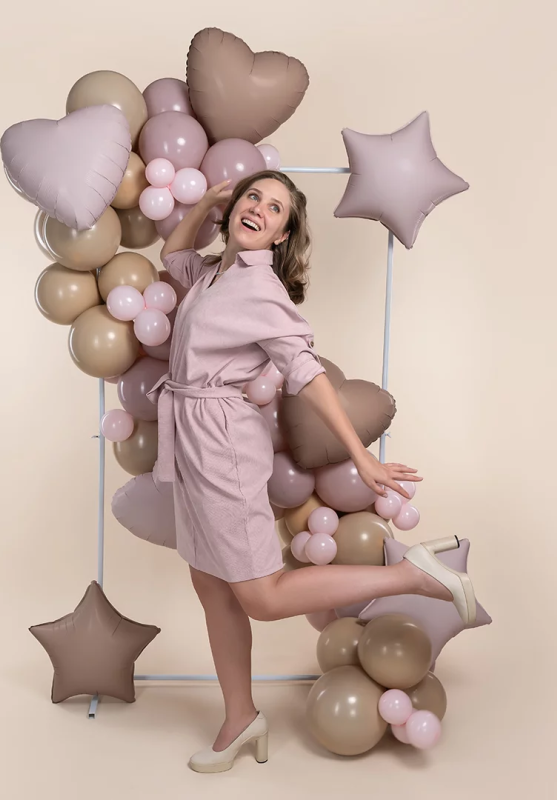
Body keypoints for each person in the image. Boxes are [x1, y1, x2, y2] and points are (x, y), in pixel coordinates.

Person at [147, 170, 476, 773]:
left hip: (222, 445)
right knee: (210, 585)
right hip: (190, 440)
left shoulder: (258, 287)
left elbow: (305, 371)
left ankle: (411, 575)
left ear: (281, 235)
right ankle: (241, 719)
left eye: (275, 208)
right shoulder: (213, 272)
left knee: (261, 596)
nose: (258, 209)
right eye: (253, 196)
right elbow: (172, 256)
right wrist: (210, 202)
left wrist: (361, 455)